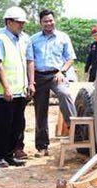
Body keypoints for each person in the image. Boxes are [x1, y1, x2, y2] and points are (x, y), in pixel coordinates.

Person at [26, 9, 76, 156]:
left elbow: (70, 58)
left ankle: (75, 129)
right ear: (40, 23)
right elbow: (30, 61)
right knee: (40, 112)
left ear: (54, 20)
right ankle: (42, 147)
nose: (49, 23)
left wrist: (62, 71)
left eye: (51, 20)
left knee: (64, 93)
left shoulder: (63, 37)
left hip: (56, 75)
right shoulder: (33, 39)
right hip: (39, 76)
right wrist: (30, 81)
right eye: (45, 21)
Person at [0, 6, 32, 167]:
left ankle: (9, 155)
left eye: (22, 22)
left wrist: (28, 84)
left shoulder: (22, 39)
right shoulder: (0, 39)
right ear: (8, 22)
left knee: (16, 125)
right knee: (2, 126)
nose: (21, 25)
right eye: (18, 22)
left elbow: (25, 63)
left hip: (19, 91)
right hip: (4, 92)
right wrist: (6, 87)